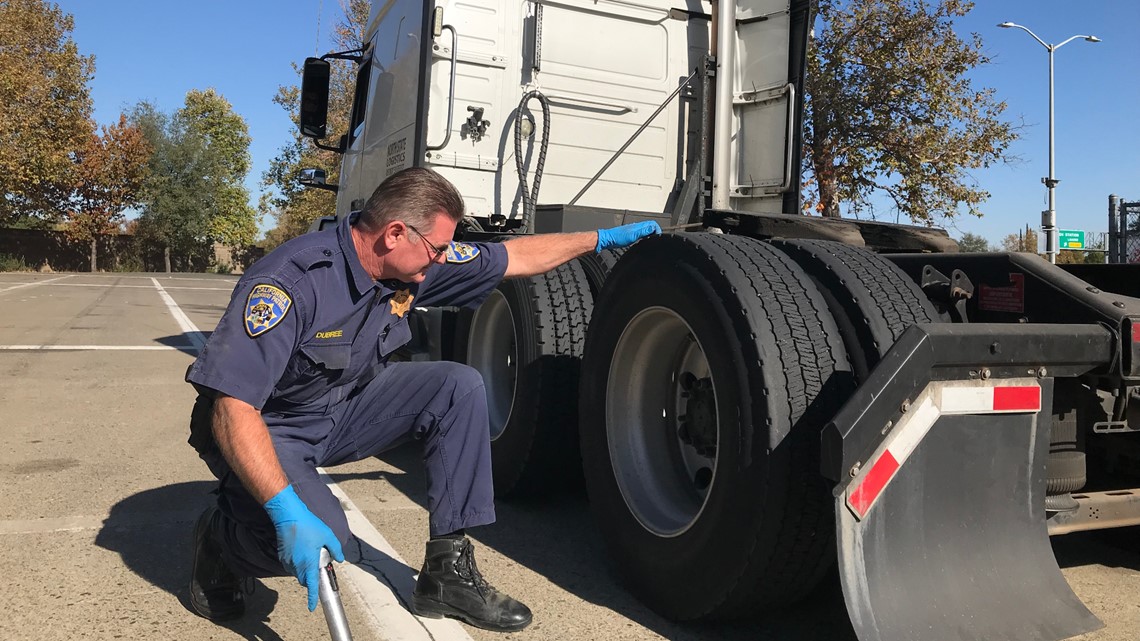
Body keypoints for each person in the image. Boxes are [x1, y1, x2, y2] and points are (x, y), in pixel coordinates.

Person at [185, 167, 660, 632]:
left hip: (344, 408)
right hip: (271, 428)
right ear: (394, 233)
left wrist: (597, 240)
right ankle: (222, 543)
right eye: (436, 249)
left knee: (457, 386)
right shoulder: (291, 282)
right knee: (326, 540)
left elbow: (513, 257)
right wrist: (285, 510)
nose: (441, 260)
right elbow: (232, 407)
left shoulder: (413, 262)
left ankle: (447, 574)